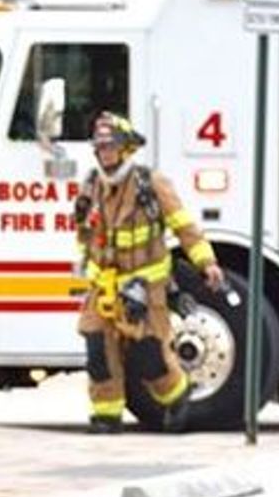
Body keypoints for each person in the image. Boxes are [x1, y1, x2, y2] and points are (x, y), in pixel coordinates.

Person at [75, 109, 225, 431]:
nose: (105, 155)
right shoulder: (92, 185)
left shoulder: (150, 183)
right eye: (100, 149)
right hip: (103, 287)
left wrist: (207, 262)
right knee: (98, 351)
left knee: (148, 359)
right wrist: (82, 268)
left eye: (111, 147)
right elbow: (86, 233)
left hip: (145, 287)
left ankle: (177, 395)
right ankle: (106, 415)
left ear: (127, 149)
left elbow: (184, 225)